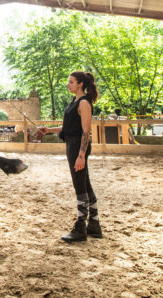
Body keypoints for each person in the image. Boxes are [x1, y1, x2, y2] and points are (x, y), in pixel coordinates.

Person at [56, 71, 102, 242]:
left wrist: (81, 155)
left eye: (72, 82)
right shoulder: (75, 101)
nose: (69, 84)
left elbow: (85, 131)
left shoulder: (84, 103)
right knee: (85, 184)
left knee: (79, 187)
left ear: (80, 84)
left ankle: (81, 227)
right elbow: (70, 127)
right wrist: (49, 130)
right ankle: (94, 224)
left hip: (77, 147)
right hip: (72, 144)